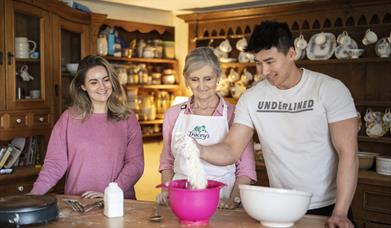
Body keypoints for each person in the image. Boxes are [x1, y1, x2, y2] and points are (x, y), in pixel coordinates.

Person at [196, 21, 358, 227]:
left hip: (328, 207)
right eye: (257, 62)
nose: (263, 71)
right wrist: (198, 149)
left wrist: (341, 212)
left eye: (270, 61)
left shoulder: (329, 89)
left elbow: (348, 152)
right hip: (281, 206)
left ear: (291, 53)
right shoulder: (251, 98)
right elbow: (230, 149)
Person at [31, 55, 144, 199]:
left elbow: (135, 164)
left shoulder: (128, 118)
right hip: (78, 204)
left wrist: (110, 193)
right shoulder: (68, 118)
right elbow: (54, 164)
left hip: (118, 202)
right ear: (83, 86)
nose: (102, 87)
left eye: (106, 80)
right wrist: (33, 196)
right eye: (94, 82)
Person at [158, 47, 257, 209]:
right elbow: (167, 161)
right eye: (195, 79)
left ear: (218, 77)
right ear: (186, 79)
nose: (201, 86)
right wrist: (167, 190)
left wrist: (234, 200)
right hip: (182, 196)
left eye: (208, 78)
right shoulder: (173, 115)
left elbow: (246, 169)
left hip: (221, 200)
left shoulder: (235, 115)